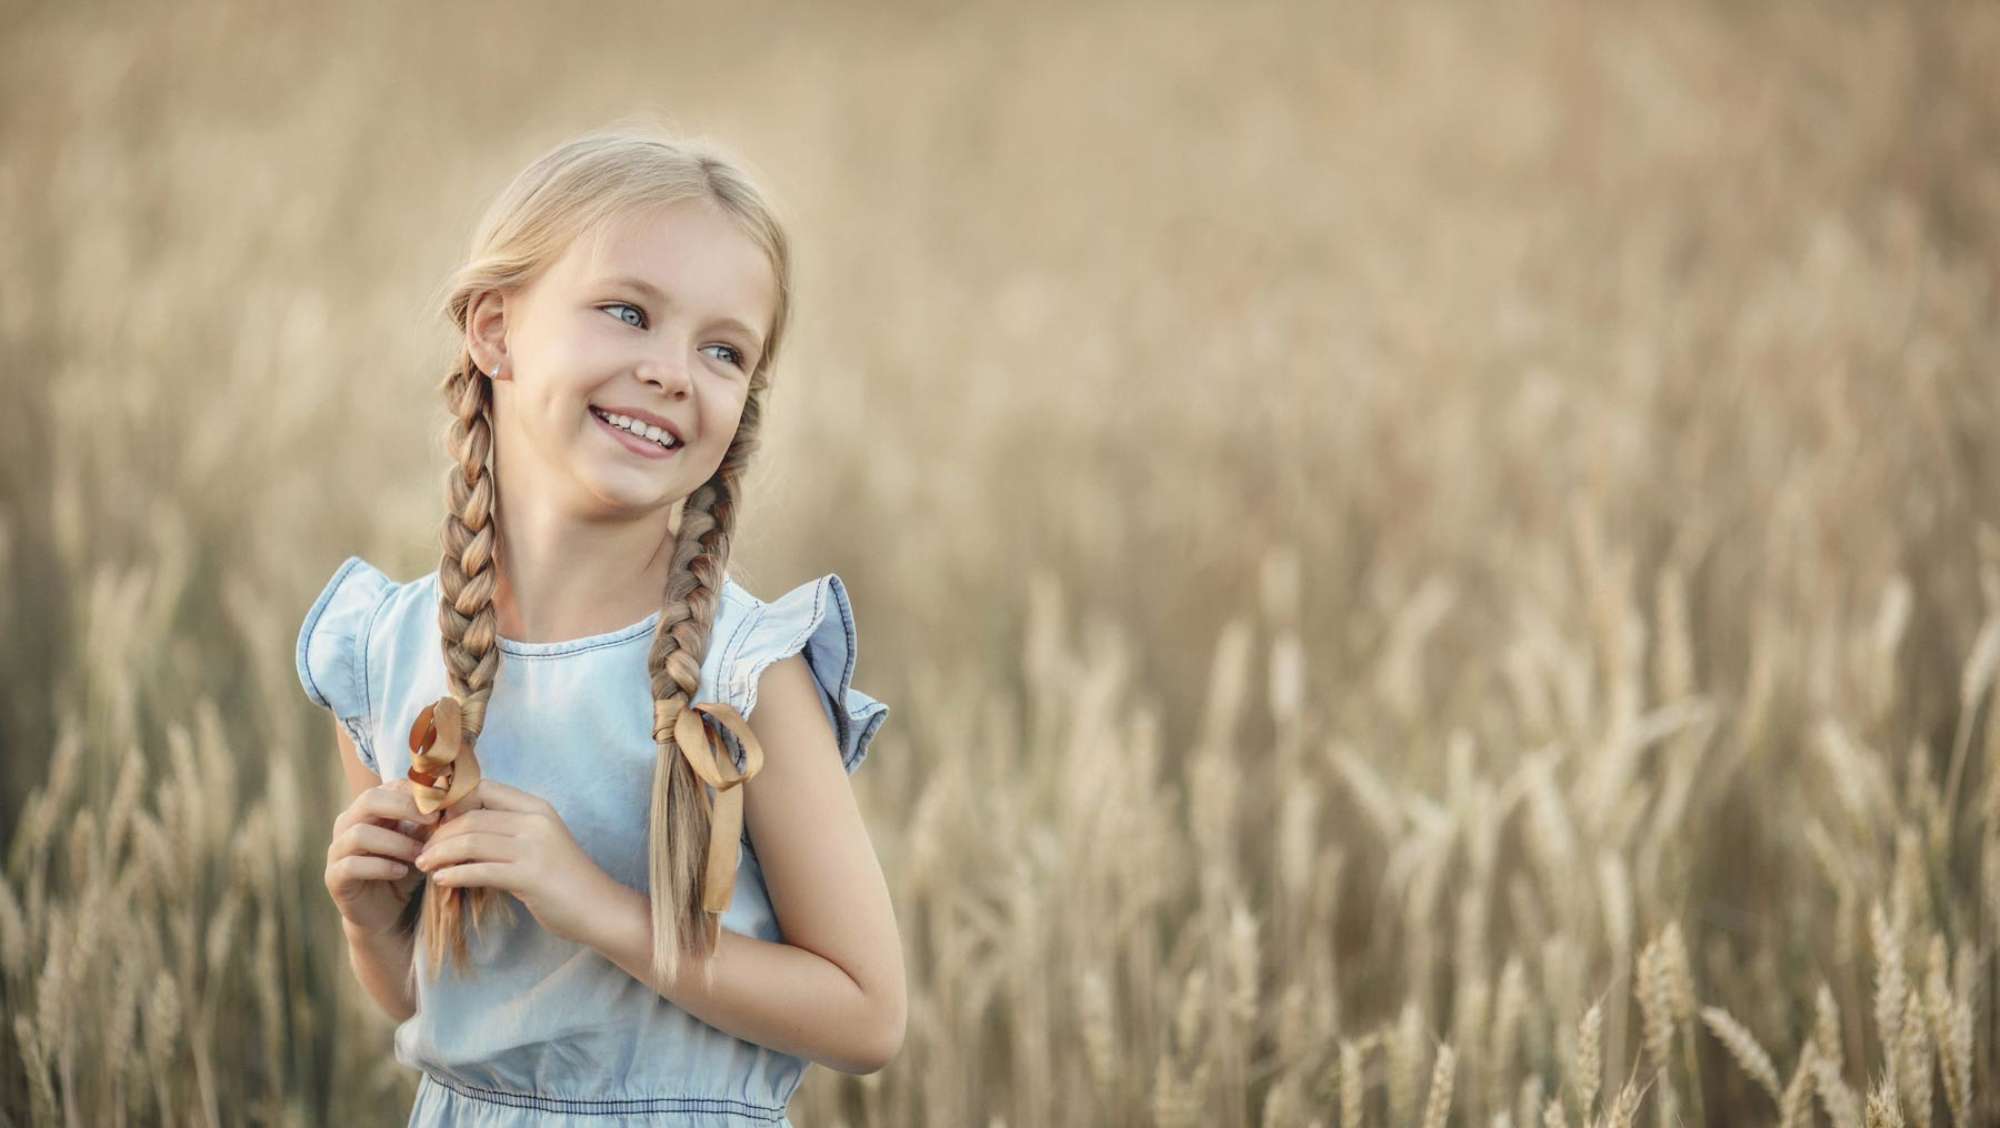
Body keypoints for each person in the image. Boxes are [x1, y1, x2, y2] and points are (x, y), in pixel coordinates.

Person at [297, 127, 904, 1126]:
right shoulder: (388, 652)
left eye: (722, 349)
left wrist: (597, 908)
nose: (673, 371)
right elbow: (438, 1004)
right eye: (628, 313)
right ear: (494, 330)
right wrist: (371, 929)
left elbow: (867, 1016)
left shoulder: (745, 679)